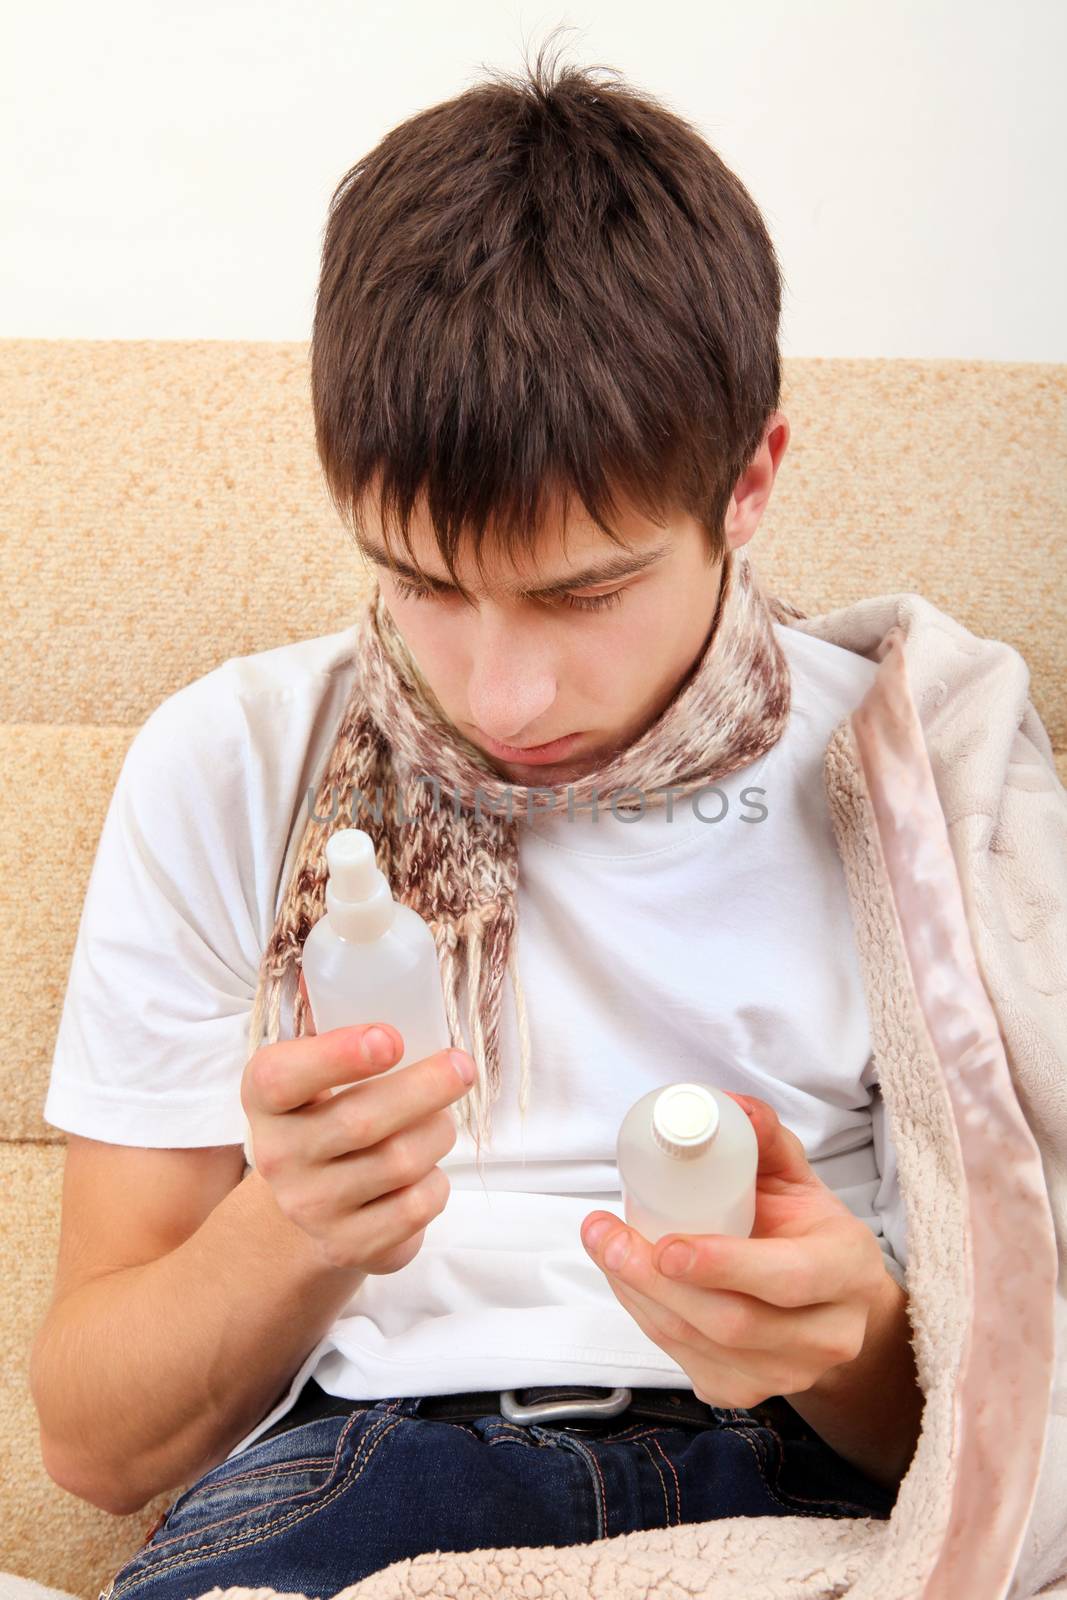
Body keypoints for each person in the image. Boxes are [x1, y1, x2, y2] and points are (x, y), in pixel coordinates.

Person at [35, 39, 925, 1600]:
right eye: (424, 584)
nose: (503, 697)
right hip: (365, 1468)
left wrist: (858, 1349)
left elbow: (1002, 1430)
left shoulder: (920, 781)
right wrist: (298, 1230)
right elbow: (98, 1450)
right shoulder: (233, 762)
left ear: (752, 479)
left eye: (585, 591)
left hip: (791, 1469)